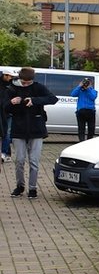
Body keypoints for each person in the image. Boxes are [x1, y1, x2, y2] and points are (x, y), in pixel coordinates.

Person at [3, 67, 57, 198]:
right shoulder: (12, 89)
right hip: (18, 129)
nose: (26, 84)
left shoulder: (38, 87)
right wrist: (11, 102)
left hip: (36, 129)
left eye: (29, 82)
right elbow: (4, 106)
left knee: (34, 161)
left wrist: (35, 100)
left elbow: (53, 99)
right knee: (19, 160)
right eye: (24, 82)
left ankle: (32, 188)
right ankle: (20, 186)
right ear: (20, 79)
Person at [73, 76, 98, 141]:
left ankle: (89, 141)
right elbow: (73, 94)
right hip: (81, 111)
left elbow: (93, 97)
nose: (86, 84)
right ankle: (81, 141)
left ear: (91, 84)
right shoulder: (80, 91)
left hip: (90, 111)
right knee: (81, 128)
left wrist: (88, 89)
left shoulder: (94, 91)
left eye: (88, 83)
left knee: (91, 128)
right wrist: (79, 86)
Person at [0, 70, 13, 162]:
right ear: (5, 75)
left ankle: (5, 153)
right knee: (5, 133)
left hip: (8, 113)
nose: (10, 78)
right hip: (2, 112)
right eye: (9, 76)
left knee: (7, 133)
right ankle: (6, 153)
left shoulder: (12, 85)